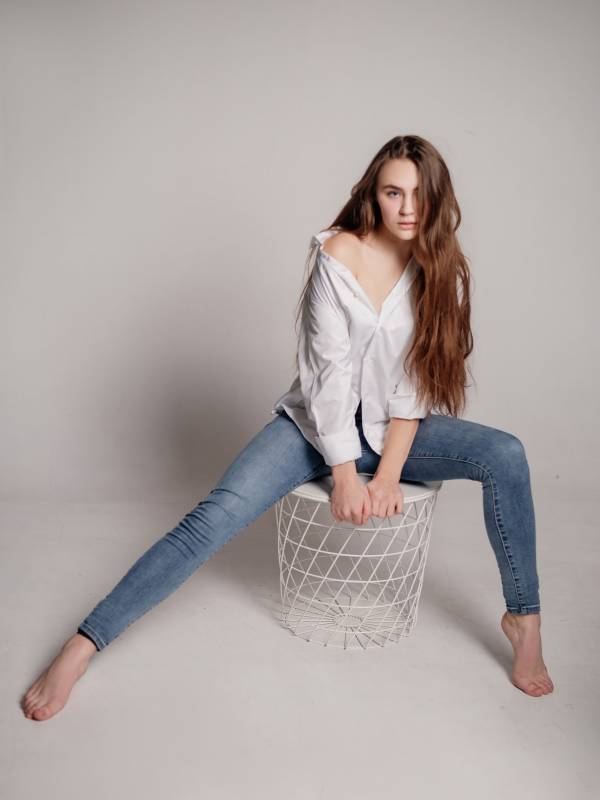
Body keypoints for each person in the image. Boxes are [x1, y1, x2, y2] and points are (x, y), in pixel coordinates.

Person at [21, 135, 554, 722]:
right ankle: (83, 645)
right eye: (393, 193)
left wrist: (388, 476)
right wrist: (346, 476)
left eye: (419, 195)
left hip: (395, 431)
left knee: (506, 454)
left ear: (438, 198)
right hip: (313, 430)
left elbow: (414, 387)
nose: (408, 208)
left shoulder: (441, 270)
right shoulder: (338, 255)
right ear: (372, 196)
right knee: (213, 517)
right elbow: (327, 379)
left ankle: (523, 621)